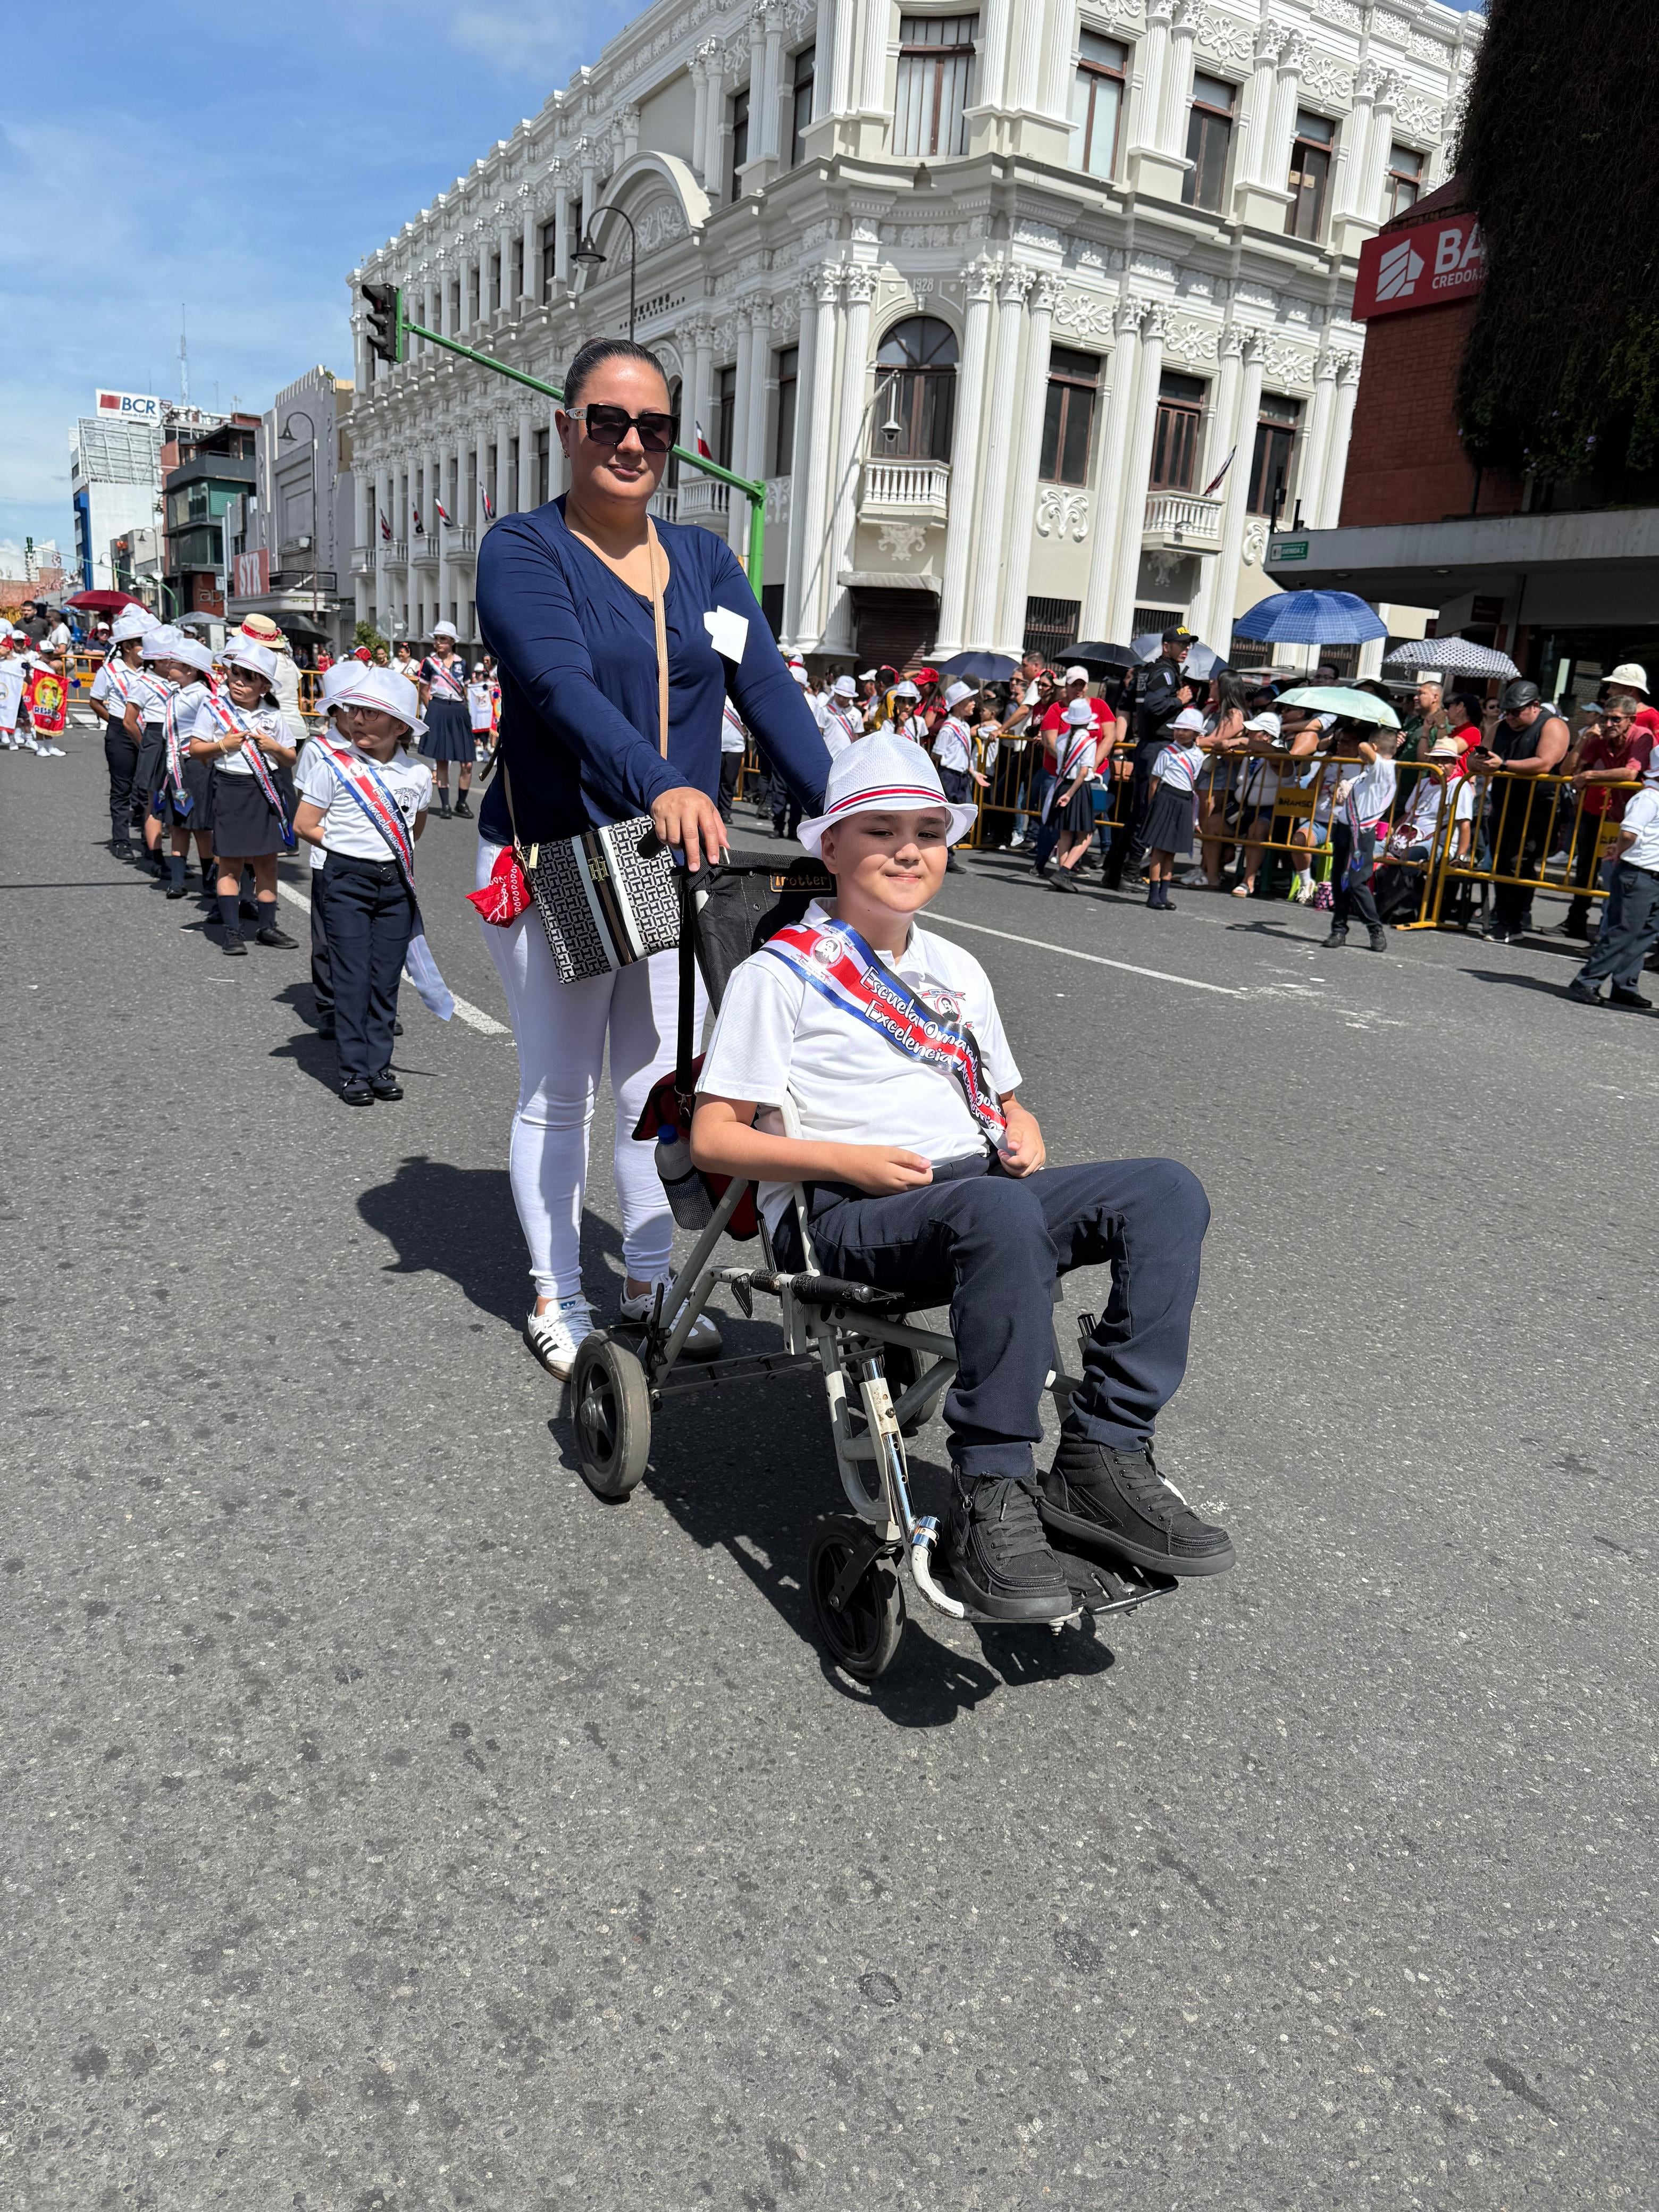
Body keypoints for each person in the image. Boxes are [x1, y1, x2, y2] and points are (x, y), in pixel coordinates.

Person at [689, 730, 1231, 1621]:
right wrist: (839, 1158)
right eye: (880, 830)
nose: (908, 849)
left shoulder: (959, 969)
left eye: (928, 832)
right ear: (830, 846)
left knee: (1164, 1190)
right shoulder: (776, 976)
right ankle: (994, 1495)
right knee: (995, 1213)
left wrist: (1023, 1131)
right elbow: (714, 1138)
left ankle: (1104, 1451)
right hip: (854, 1210)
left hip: (976, 1195)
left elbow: (1011, 1105)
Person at [473, 336, 830, 1379]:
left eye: (654, 427)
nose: (631, 442)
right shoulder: (525, 551)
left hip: (673, 856)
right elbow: (560, 687)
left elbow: (764, 689)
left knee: (658, 1077)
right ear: (567, 428)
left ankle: (645, 1278)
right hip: (574, 848)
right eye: (608, 421)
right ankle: (559, 1294)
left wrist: (845, 813)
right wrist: (662, 782)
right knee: (565, 1083)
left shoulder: (709, 569)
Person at [292, 667, 433, 1102]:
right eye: (353, 710)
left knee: (386, 978)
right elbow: (304, 824)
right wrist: (352, 846)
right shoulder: (332, 767)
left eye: (370, 713)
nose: (357, 720)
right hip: (345, 879)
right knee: (352, 977)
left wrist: (384, 850)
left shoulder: (418, 775)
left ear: (399, 726)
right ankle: (354, 1071)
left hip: (394, 886)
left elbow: (415, 828)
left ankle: (380, 1067)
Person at [189, 637, 300, 956]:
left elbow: (290, 758)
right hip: (230, 788)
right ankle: (232, 930)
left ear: (264, 686)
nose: (238, 681)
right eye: (235, 674)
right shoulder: (213, 708)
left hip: (264, 792)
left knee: (267, 863)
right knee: (230, 864)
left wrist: (275, 748)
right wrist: (223, 745)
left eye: (248, 678)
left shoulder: (273, 716)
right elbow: (196, 750)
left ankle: (267, 927)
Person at [1468, 680, 1570, 941]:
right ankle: (1508, 918)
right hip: (1504, 803)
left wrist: (1503, 765)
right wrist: (1477, 761)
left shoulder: (1552, 726)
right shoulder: (1500, 726)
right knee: (1502, 861)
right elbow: (1478, 756)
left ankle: (1513, 921)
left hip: (1539, 805)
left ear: (1535, 706)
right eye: (1506, 711)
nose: (1510, 717)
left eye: (1516, 712)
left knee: (1520, 862)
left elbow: (1545, 763)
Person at [1563, 745, 1659, 1009]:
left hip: (1651, 874)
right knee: (1626, 930)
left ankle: (1625, 984)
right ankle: (1588, 980)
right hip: (1639, 873)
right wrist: (1620, 849)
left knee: (1644, 933)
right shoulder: (1649, 798)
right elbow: (1629, 833)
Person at [1559, 697, 1652, 938]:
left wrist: (1590, 774)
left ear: (1630, 721)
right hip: (1610, 814)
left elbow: (1631, 773)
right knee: (1590, 868)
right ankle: (1579, 923)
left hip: (1642, 819)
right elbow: (1566, 771)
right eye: (1605, 718)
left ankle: (1617, 937)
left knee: (1626, 878)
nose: (1609, 723)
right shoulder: (1600, 738)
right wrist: (1584, 739)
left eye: (1616, 719)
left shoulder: (1642, 735)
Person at [1112, 632, 1194, 885]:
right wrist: (1179, 700)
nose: (1185, 649)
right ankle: (1130, 870)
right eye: (1181, 645)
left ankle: (1114, 871)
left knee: (1138, 813)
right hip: (1158, 746)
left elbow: (1129, 703)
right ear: (1166, 646)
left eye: (1188, 645)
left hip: (1149, 746)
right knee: (1149, 813)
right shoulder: (1165, 672)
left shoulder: (1147, 671)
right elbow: (1154, 706)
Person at [142, 629, 217, 899]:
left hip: (196, 765)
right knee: (177, 823)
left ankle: (209, 879)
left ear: (188, 668)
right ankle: (177, 879)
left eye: (173, 663)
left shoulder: (203, 695)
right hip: (174, 764)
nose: (169, 666)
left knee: (200, 825)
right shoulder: (176, 693)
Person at [1373, 733, 1477, 923]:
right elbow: (1408, 814)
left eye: (1445, 761)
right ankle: (1359, 902)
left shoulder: (1458, 786)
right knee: (1369, 849)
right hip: (1407, 836)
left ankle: (1404, 907)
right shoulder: (1423, 784)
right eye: (1436, 760)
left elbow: (1465, 826)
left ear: (1454, 764)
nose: (1439, 765)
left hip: (1439, 844)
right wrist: (1390, 832)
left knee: (1410, 855)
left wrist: (1461, 857)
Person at [1319, 718, 1398, 952]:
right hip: (1344, 827)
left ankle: (1375, 929)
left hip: (1361, 832)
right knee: (1339, 881)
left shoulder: (1385, 768)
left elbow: (1364, 747)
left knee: (1356, 882)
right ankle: (1339, 929)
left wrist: (1373, 739)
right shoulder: (1367, 773)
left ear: (1375, 749)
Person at [1141, 705, 1228, 911]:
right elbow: (1155, 781)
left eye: (1186, 730)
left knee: (1172, 852)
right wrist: (1153, 805)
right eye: (1178, 729)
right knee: (1159, 851)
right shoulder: (1167, 753)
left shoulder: (1198, 755)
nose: (1180, 733)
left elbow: (1193, 782)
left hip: (1184, 801)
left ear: (1196, 734)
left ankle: (1164, 894)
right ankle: (1153, 895)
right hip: (1166, 798)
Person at [87, 607, 157, 853]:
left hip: (148, 731)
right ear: (127, 647)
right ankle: (121, 840)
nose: (145, 650)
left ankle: (152, 845)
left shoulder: (152, 671)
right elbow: (94, 701)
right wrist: (115, 721)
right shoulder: (110, 671)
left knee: (148, 788)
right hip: (121, 733)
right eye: (140, 644)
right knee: (122, 789)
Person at [1194, 669, 1249, 889]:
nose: (1210, 684)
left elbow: (1216, 740)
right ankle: (1205, 870)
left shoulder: (1235, 714)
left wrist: (1197, 741)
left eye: (1215, 683)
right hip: (1206, 776)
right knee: (1205, 829)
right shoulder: (1213, 709)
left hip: (1220, 778)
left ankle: (1213, 874)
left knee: (1211, 828)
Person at [930, 680, 989, 875]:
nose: (974, 704)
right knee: (948, 816)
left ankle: (947, 853)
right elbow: (937, 755)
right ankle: (946, 856)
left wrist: (973, 772)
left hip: (962, 776)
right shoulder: (948, 728)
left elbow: (964, 755)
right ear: (958, 704)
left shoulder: (964, 725)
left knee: (958, 816)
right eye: (970, 700)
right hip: (949, 776)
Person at [418, 620, 474, 817]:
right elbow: (424, 691)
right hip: (439, 708)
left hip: (459, 710)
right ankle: (445, 806)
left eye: (443, 639)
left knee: (467, 762)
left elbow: (467, 691)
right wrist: (433, 711)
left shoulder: (462, 663)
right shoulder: (429, 663)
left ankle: (461, 803)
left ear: (452, 641)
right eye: (437, 639)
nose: (438, 643)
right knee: (442, 760)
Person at [717, 696, 747, 822]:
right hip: (716, 745)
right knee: (715, 780)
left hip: (736, 746)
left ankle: (726, 812)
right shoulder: (718, 696)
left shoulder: (740, 698)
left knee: (729, 781)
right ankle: (714, 809)